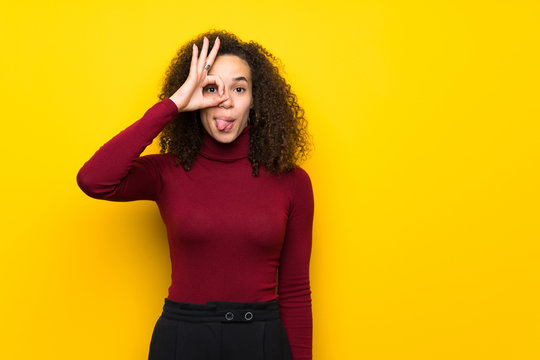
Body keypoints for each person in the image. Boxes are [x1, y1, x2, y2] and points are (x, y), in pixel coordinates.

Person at [76, 29, 314, 360]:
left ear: (255, 99)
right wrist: (174, 104)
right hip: (184, 338)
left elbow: (296, 291)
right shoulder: (167, 172)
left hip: (261, 340)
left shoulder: (292, 182)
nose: (226, 100)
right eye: (211, 88)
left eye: (239, 88)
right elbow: (94, 179)